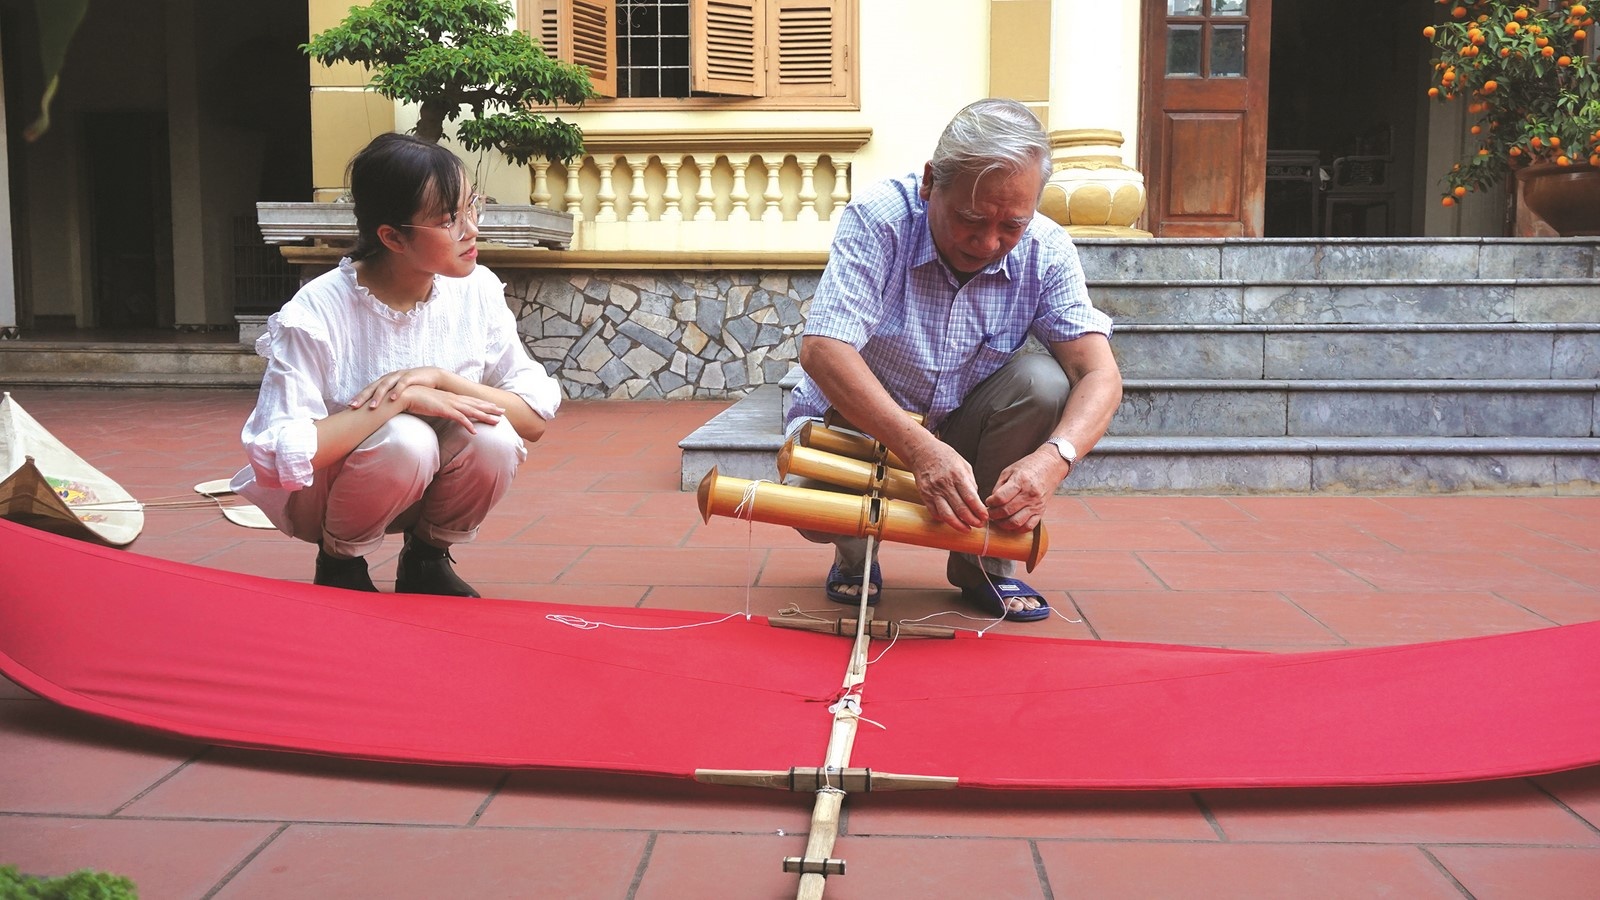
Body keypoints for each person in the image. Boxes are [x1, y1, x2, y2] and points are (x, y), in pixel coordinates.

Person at [785, 98, 1123, 621]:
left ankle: (981, 561)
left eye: (1011, 224)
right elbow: (823, 348)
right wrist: (920, 450)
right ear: (929, 184)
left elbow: (1098, 373)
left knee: (1044, 382)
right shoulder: (882, 219)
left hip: (962, 432)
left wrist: (1054, 459)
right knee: (813, 506)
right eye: (970, 218)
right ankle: (855, 553)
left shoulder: (1046, 248)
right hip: (859, 431)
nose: (988, 242)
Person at [231, 133, 560, 597]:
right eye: (449, 220)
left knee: (494, 436)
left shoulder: (477, 290)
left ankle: (426, 558)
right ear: (391, 236)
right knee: (408, 438)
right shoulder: (318, 310)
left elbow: (532, 421)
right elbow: (279, 455)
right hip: (328, 499)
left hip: (423, 490)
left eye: (473, 208)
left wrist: (442, 380)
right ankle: (340, 561)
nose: (471, 230)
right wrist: (398, 400)